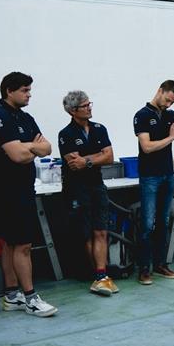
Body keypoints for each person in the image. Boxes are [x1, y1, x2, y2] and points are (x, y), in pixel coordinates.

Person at [0, 72, 57, 316]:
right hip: (5, 192)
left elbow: (46, 147)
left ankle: (11, 295)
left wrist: (28, 147)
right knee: (22, 245)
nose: (29, 94)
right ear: (9, 91)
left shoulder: (25, 118)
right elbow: (17, 156)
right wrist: (30, 147)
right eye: (25, 90)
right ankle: (30, 298)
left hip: (24, 188)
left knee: (12, 244)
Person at [58, 91, 118, 296]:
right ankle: (95, 274)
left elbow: (109, 156)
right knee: (86, 234)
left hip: (96, 185)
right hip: (77, 189)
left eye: (89, 103)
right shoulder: (66, 134)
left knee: (101, 230)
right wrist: (96, 156)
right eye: (85, 106)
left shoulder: (99, 129)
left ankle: (102, 275)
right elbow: (74, 164)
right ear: (73, 111)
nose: (89, 107)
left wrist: (88, 160)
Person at [133, 80, 174, 285]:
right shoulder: (142, 115)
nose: (168, 105)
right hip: (149, 176)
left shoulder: (172, 114)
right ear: (160, 91)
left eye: (173, 102)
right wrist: (170, 138)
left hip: (167, 174)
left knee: (163, 222)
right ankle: (144, 268)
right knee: (147, 224)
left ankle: (160, 264)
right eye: (167, 100)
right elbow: (146, 147)